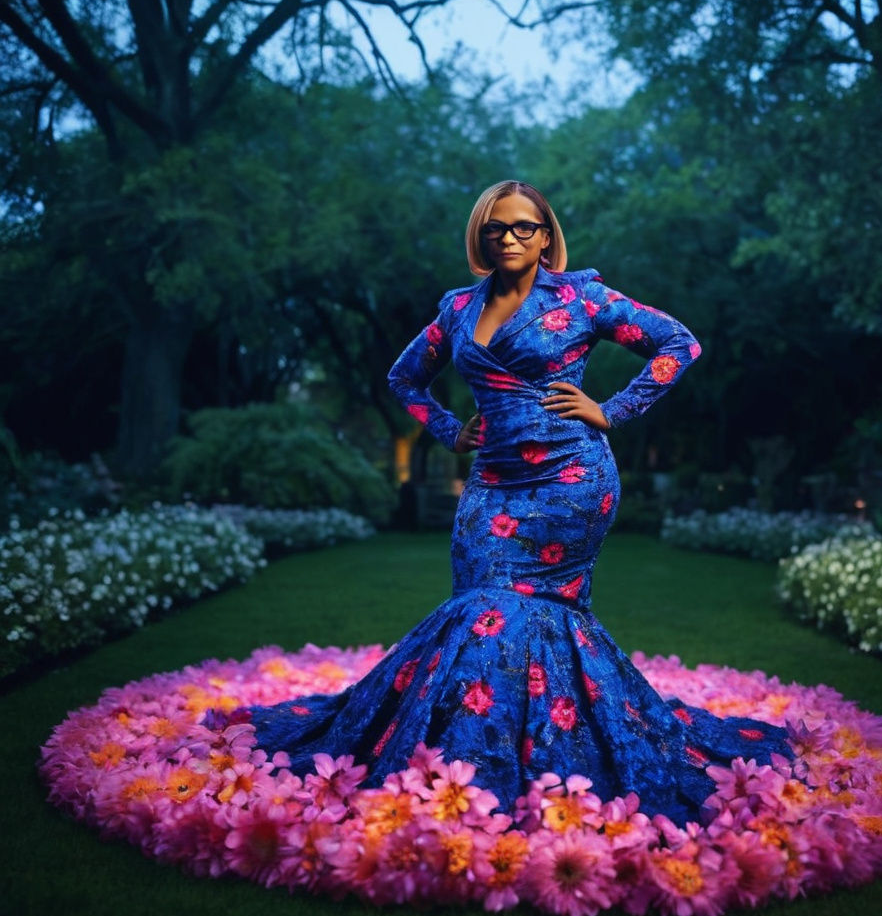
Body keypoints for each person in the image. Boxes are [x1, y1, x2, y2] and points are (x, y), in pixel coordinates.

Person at [247, 180, 792, 825]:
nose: (509, 238)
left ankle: (547, 767)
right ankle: (465, 759)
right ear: (480, 237)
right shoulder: (456, 309)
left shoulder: (580, 296)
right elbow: (404, 377)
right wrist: (452, 431)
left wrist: (612, 410)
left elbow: (679, 344)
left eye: (523, 227)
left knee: (514, 616)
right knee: (477, 613)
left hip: (571, 483)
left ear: (545, 235)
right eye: (496, 229)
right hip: (490, 488)